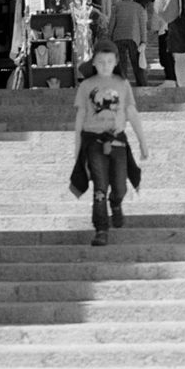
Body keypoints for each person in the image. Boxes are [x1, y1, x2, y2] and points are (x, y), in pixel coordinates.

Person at [71, 39, 149, 246]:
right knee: (99, 187)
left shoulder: (122, 85)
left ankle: (116, 203)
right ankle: (101, 229)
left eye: (109, 61)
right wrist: (77, 145)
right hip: (94, 141)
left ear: (116, 62)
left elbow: (131, 111)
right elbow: (80, 115)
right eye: (101, 61)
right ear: (94, 62)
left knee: (120, 186)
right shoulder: (86, 86)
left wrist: (142, 141)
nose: (105, 65)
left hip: (117, 142)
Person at [109, 0, 147, 87]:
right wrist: (143, 41)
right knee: (137, 63)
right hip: (134, 38)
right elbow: (142, 26)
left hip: (118, 37)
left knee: (121, 63)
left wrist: (109, 36)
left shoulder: (116, 6)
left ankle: (122, 84)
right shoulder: (139, 7)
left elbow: (112, 23)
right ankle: (141, 84)